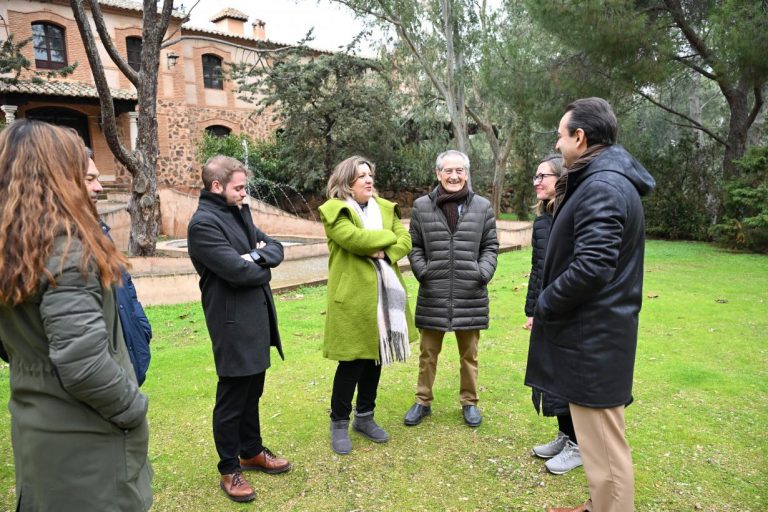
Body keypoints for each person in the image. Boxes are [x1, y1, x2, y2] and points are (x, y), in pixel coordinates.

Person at [0, 120, 152, 511]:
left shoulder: (16, 250)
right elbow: (83, 363)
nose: (97, 187)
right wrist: (132, 409)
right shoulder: (67, 249)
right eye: (80, 173)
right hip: (86, 443)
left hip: (39, 428)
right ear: (55, 176)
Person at [525, 98, 655, 512]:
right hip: (593, 334)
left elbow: (593, 266)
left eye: (560, 135)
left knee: (604, 446)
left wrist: (545, 302)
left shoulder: (603, 186)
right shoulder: (601, 180)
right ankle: (599, 504)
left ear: (579, 137)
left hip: (593, 339)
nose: (557, 144)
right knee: (597, 445)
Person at [187, 155, 290, 503]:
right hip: (231, 323)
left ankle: (251, 450)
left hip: (256, 317)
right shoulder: (203, 224)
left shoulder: (239, 212)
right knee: (232, 397)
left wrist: (255, 257)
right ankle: (229, 467)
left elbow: (275, 248)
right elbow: (236, 271)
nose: (245, 193)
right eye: (240, 187)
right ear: (217, 186)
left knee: (252, 391)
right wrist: (257, 262)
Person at [318, 155, 416, 455]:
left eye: (370, 174)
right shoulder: (335, 210)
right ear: (347, 181)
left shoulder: (385, 207)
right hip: (352, 300)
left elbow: (405, 240)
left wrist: (385, 252)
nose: (369, 179)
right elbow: (355, 240)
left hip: (384, 298)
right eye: (361, 175)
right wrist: (385, 238)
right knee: (351, 363)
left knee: (376, 359)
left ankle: (365, 417)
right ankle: (338, 423)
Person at [404, 149, 499, 428]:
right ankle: (422, 401)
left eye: (459, 171)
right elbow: (414, 246)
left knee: (469, 355)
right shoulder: (421, 206)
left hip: (470, 293)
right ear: (438, 173)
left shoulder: (482, 206)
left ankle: (469, 402)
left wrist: (482, 273)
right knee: (427, 354)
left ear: (466, 174)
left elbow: (490, 246)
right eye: (448, 170)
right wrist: (424, 272)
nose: (454, 176)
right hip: (434, 292)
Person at [523, 154, 583, 475]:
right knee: (550, 374)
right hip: (545, 309)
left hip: (568, 310)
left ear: (560, 179)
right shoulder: (542, 221)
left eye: (542, 176)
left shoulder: (572, 215)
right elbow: (538, 270)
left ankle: (579, 444)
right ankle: (565, 435)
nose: (536, 182)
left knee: (568, 376)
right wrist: (532, 310)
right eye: (535, 176)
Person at [84, 149, 152, 385]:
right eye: (89, 179)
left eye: (98, 178)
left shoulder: (99, 230)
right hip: (100, 379)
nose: (99, 187)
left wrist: (141, 326)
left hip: (126, 356)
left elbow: (124, 283)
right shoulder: (60, 243)